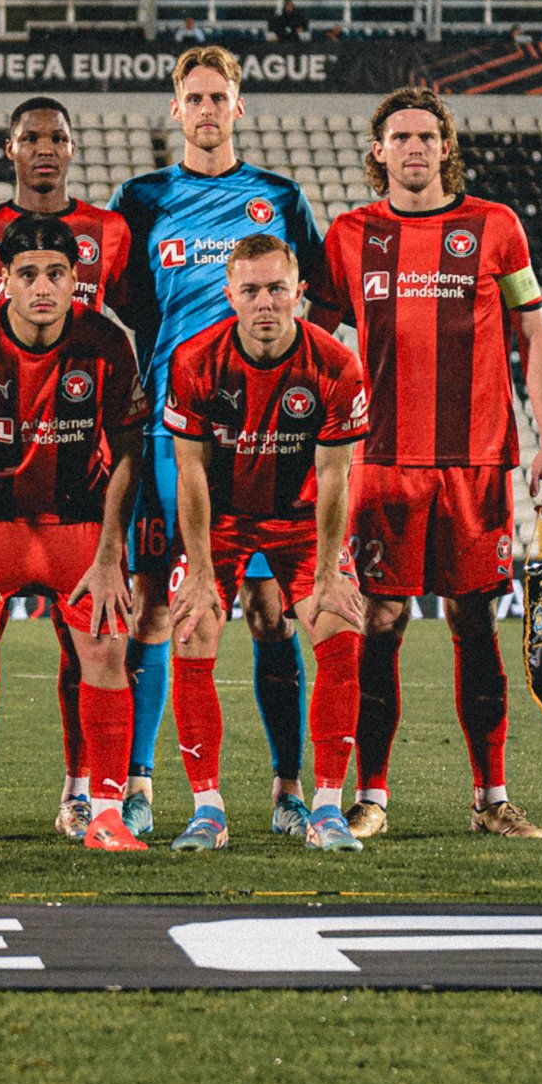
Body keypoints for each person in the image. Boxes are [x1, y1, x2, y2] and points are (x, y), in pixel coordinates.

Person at [311, 85, 542, 840]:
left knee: (474, 618)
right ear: (377, 150)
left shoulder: (496, 227)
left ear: (446, 147)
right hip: (381, 462)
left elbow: (535, 335)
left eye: (427, 136)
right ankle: (371, 797)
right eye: (400, 137)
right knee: (378, 621)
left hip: (476, 461)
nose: (414, 148)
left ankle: (491, 799)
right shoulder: (349, 234)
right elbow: (317, 344)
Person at [112, 46, 327, 841]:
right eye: (193, 97)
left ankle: (286, 787)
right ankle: (140, 783)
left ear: (239, 107)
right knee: (160, 606)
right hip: (173, 433)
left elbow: (317, 299)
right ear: (175, 110)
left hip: (266, 435)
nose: (206, 109)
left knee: (271, 611)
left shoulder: (277, 196)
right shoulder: (141, 198)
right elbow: (121, 306)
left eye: (219, 96)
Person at [0, 94, 132, 839]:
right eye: (26, 273)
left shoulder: (109, 299)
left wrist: (113, 551)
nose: (42, 285)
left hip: (79, 507)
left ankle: (92, 801)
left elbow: (130, 447)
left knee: (100, 652)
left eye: (57, 272)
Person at [165, 236, 368, 851]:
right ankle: (207, 809)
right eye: (250, 290)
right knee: (191, 623)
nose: (265, 303)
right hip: (222, 519)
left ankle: (327, 808)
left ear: (298, 291)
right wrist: (201, 572)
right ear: (229, 295)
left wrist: (330, 571)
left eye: (277, 288)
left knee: (338, 623)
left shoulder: (336, 365)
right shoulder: (195, 361)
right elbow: (191, 472)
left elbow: (336, 476)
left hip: (302, 520)